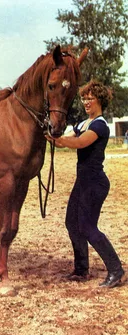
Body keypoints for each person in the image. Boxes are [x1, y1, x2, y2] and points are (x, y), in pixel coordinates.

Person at [46, 80, 124, 288]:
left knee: (88, 227)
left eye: (90, 98)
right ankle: (81, 269)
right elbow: (69, 135)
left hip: (95, 183)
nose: (86, 102)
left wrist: (58, 141)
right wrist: (52, 134)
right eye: (84, 98)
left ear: (100, 100)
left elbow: (79, 142)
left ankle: (116, 271)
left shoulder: (99, 125)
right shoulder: (83, 123)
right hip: (83, 182)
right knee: (72, 224)